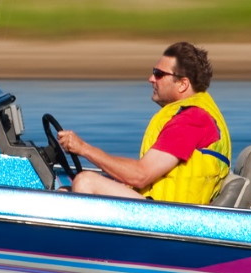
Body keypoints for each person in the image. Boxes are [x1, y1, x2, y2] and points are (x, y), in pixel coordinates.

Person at [57, 41, 231, 204]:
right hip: (161, 207)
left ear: (182, 84)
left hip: (171, 218)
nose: (151, 79)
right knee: (65, 191)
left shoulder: (192, 120)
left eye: (159, 74)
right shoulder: (193, 115)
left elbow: (140, 176)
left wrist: (83, 148)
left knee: (86, 181)